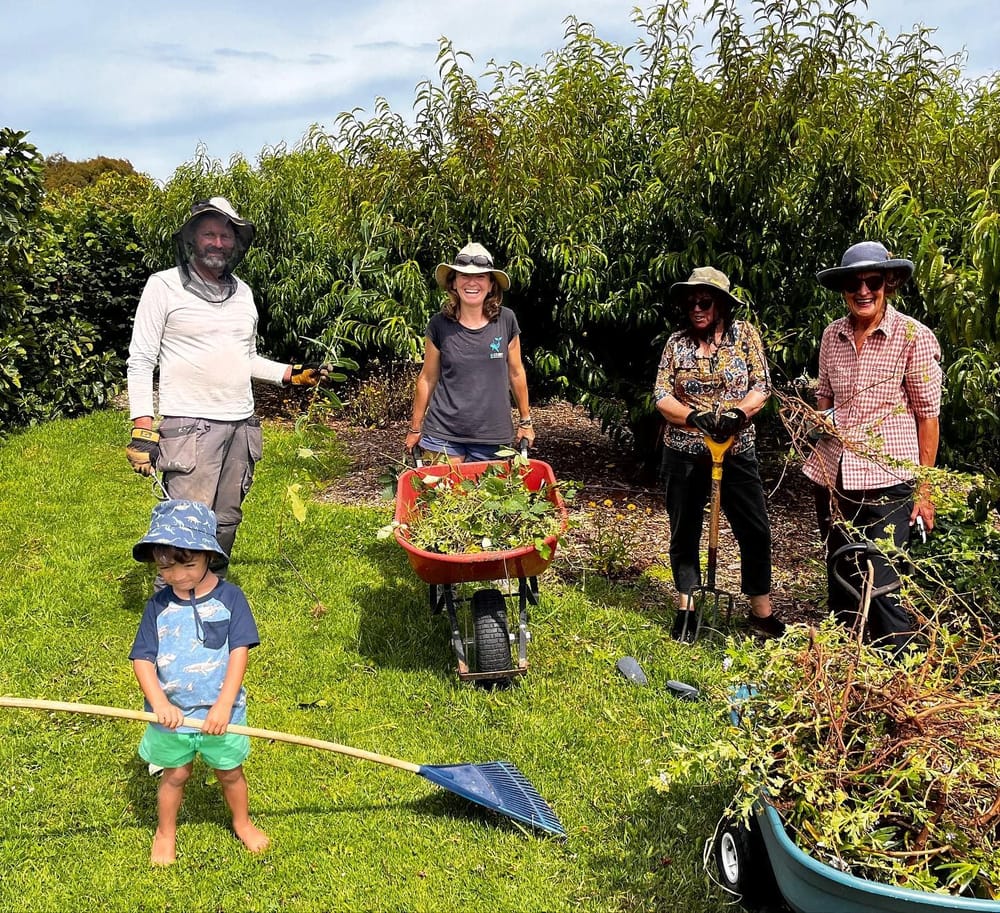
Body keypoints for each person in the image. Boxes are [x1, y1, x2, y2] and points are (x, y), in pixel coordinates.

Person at [125, 196, 326, 575]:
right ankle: (173, 603)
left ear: (236, 243)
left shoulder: (244, 293)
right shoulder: (163, 286)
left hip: (241, 427)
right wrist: (142, 427)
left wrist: (290, 373)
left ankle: (210, 591)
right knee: (185, 528)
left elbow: (245, 357)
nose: (218, 243)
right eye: (209, 234)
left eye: (225, 236)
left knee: (226, 522)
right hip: (190, 428)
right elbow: (140, 360)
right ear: (192, 239)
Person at [806, 241, 943, 653]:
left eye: (873, 282)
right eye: (854, 284)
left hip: (888, 479)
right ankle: (846, 664)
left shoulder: (912, 336)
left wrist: (924, 490)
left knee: (883, 582)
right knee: (842, 573)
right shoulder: (832, 335)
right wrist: (820, 422)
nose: (863, 291)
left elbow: (928, 416)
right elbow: (825, 396)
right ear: (844, 289)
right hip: (834, 475)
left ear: (889, 284)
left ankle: (899, 668)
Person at [130, 498, 269, 865]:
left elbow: (239, 652)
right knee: (175, 774)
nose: (177, 576)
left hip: (223, 713)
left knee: (230, 772)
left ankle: (242, 822)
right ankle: (165, 832)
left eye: (187, 564)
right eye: (166, 567)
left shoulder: (230, 598)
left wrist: (223, 705)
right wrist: (160, 703)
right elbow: (142, 659)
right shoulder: (157, 606)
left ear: (208, 555)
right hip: (172, 717)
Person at [653, 266, 785, 642]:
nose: (697, 308)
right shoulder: (676, 343)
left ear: (722, 305)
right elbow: (660, 394)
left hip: (736, 449)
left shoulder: (745, 336)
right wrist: (692, 417)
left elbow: (762, 385)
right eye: (691, 302)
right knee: (684, 530)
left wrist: (737, 414)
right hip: (683, 452)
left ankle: (761, 611)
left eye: (705, 301)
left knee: (755, 529)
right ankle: (687, 607)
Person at [405, 242, 535, 463]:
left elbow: (516, 372)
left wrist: (526, 422)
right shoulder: (439, 325)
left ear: (491, 285)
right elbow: (427, 377)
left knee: (487, 487)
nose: (472, 283)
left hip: (492, 434)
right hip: (444, 432)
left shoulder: (506, 320)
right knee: (447, 486)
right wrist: (415, 428)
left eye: (480, 277)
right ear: (454, 283)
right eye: (464, 276)